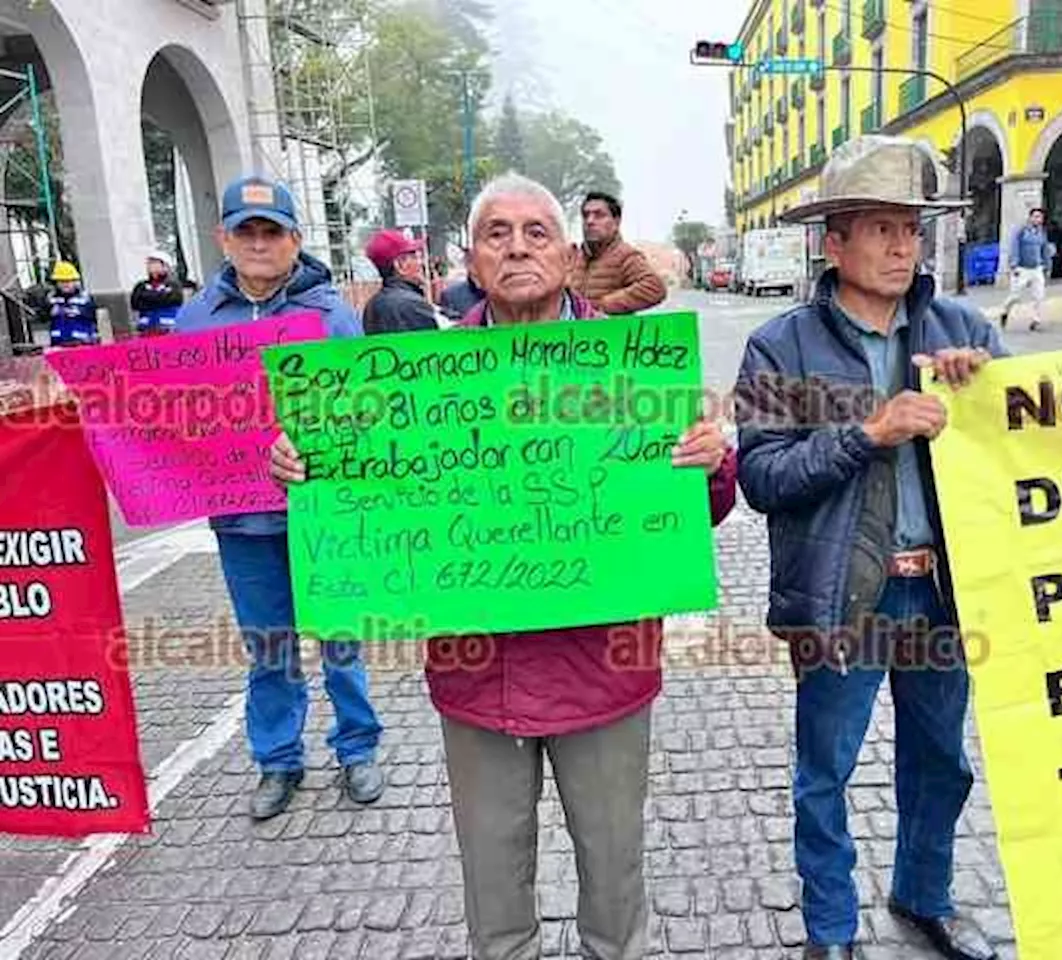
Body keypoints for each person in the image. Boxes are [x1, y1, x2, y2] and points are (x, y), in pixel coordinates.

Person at [271, 171, 737, 960]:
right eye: (497, 234)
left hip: (605, 671)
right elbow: (360, 493)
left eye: (536, 232)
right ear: (472, 262)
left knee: (616, 876)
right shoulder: (415, 381)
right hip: (476, 673)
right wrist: (303, 465)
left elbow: (705, 507)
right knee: (493, 889)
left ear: (566, 252)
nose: (518, 247)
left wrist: (711, 459)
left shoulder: (638, 364)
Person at [734, 135, 1005, 960]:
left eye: (912, 230)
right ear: (835, 242)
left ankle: (924, 896)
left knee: (941, 762)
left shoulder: (962, 327)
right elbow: (763, 476)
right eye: (881, 228)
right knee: (827, 772)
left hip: (941, 591)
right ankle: (830, 930)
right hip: (842, 596)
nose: (900, 247)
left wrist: (983, 390)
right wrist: (867, 433)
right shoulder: (782, 344)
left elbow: (1025, 442)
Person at [176, 174, 385, 821]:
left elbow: (367, 411)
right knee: (267, 645)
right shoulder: (195, 318)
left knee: (340, 637)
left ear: (296, 239)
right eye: (247, 231)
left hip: (321, 513)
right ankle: (278, 760)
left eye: (273, 232)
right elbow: (173, 413)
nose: (259, 243)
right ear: (225, 238)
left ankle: (357, 748)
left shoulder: (330, 316)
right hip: (241, 521)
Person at [568, 190, 666, 314]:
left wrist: (602, 305)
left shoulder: (626, 256)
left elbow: (655, 288)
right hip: (573, 331)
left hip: (608, 331)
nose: (590, 221)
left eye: (599, 215)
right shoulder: (574, 256)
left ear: (616, 222)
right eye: (585, 215)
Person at [361, 228, 444, 335]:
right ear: (400, 265)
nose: (422, 262)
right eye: (415, 257)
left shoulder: (371, 307)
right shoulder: (412, 305)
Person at [998, 207, 1051, 332]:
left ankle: (1036, 320)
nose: (1038, 219)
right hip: (1022, 268)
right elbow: (1014, 246)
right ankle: (1005, 311)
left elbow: (1044, 249)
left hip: (1037, 267)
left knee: (1039, 296)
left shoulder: (1041, 232)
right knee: (1015, 296)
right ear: (1030, 217)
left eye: (1040, 217)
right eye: (1036, 216)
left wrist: (1047, 266)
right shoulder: (1021, 231)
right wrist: (1014, 265)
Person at [42, 260, 99, 349]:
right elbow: (43, 318)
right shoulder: (51, 299)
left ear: (75, 282)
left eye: (69, 281)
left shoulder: (85, 299)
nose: (65, 284)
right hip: (59, 344)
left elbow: (95, 318)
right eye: (61, 281)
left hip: (82, 344)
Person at [130, 251, 185, 337]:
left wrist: (148, 298)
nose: (150, 266)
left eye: (154, 262)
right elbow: (135, 303)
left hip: (168, 329)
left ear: (165, 266)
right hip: (146, 329)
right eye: (149, 263)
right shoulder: (141, 286)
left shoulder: (174, 285)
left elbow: (174, 300)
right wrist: (158, 297)